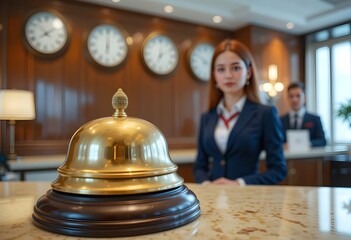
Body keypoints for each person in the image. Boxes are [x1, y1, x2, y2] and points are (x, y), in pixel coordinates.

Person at [193, 39, 287, 186]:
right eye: (221, 69)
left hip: (247, 200)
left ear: (248, 72)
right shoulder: (207, 117)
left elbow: (278, 170)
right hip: (213, 199)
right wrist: (206, 184)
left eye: (235, 68)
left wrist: (239, 183)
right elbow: (199, 166)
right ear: (214, 76)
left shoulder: (266, 114)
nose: (228, 75)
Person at [280, 82, 327, 147]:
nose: (294, 99)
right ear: (287, 98)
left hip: (309, 156)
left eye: (298, 96)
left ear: (304, 98)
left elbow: (322, 141)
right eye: (291, 96)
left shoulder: (315, 119)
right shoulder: (280, 120)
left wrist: (307, 144)